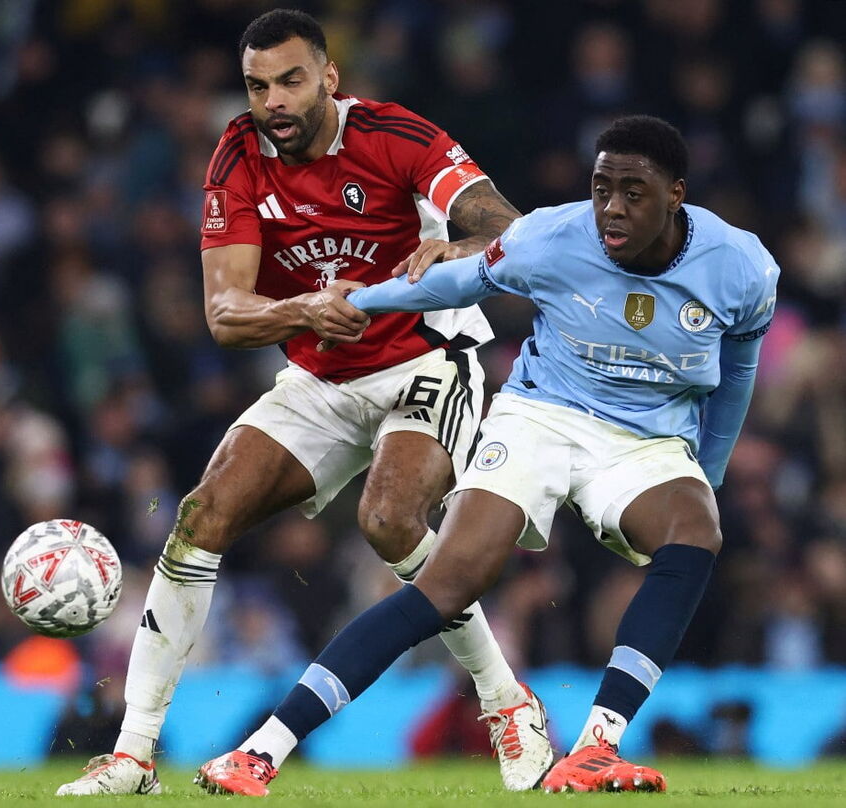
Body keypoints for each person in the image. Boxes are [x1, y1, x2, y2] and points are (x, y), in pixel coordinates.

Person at [195, 115, 779, 795]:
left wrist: (703, 475)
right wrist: (362, 299)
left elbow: (737, 375)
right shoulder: (551, 236)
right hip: (540, 417)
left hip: (645, 439)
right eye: (601, 189)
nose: (612, 210)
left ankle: (596, 747)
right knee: (447, 584)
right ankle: (262, 750)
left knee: (697, 527)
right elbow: (456, 284)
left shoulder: (741, 266)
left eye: (634, 193)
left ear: (676, 194)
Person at [56, 8, 554, 797]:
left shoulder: (397, 137)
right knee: (200, 515)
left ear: (329, 77)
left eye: (291, 81)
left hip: (428, 359)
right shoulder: (239, 156)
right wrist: (306, 310)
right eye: (259, 87)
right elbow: (225, 313)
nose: (274, 102)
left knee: (390, 520)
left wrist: (457, 250)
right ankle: (134, 755)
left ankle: (504, 702)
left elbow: (518, 233)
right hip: (322, 376)